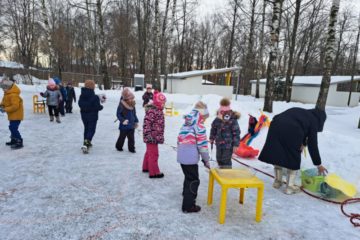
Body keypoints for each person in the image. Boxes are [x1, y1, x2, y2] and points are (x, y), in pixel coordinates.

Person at [258, 107, 328, 195]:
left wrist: (303, 143)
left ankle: (277, 182)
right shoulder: (313, 121)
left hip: (275, 125)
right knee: (293, 156)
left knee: (277, 152)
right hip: (291, 129)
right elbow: (313, 144)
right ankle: (290, 187)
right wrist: (318, 164)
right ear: (320, 120)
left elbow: (303, 129)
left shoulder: (302, 112)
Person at [177, 101, 211, 213]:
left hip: (182, 157)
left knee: (188, 176)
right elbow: (203, 146)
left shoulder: (186, 123)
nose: (204, 121)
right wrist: (206, 160)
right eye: (204, 118)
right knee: (194, 180)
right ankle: (188, 206)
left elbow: (179, 139)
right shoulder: (199, 126)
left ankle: (185, 194)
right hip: (190, 158)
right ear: (201, 116)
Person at [210, 98, 241, 168]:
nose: (223, 115)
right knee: (219, 158)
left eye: (225, 112)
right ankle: (221, 171)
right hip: (219, 144)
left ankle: (227, 173)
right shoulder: (217, 119)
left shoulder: (233, 120)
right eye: (221, 112)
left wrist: (236, 144)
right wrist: (212, 138)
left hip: (228, 145)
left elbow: (236, 132)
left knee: (226, 160)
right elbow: (213, 129)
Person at [142, 91, 166, 178]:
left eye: (164, 103)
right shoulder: (152, 111)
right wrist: (149, 136)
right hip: (151, 137)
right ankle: (154, 172)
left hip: (155, 136)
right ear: (158, 102)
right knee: (154, 154)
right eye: (163, 103)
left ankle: (146, 167)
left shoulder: (158, 110)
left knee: (149, 152)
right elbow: (147, 125)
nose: (164, 105)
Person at [78, 80, 103, 151]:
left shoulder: (81, 95)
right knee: (91, 129)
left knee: (86, 128)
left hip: (84, 115)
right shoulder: (95, 97)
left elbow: (80, 104)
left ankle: (86, 142)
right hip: (92, 115)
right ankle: (86, 142)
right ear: (92, 87)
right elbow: (97, 107)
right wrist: (101, 107)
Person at [0, 77, 24, 149]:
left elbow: (15, 106)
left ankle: (19, 140)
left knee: (13, 128)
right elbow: (4, 102)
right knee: (12, 128)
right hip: (12, 115)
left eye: (4, 88)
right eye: (2, 88)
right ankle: (14, 140)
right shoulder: (7, 94)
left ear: (8, 87)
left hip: (16, 115)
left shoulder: (13, 95)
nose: (3, 89)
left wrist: (5, 109)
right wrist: (1, 106)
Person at [115, 88, 139, 153]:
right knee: (122, 137)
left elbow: (134, 114)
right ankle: (119, 146)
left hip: (131, 125)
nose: (132, 100)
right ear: (126, 99)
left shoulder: (132, 105)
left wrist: (136, 121)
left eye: (132, 98)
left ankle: (131, 148)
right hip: (124, 125)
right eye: (130, 98)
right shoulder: (122, 105)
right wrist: (123, 120)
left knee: (131, 138)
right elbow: (118, 114)